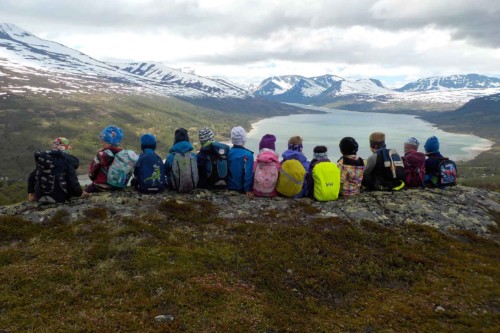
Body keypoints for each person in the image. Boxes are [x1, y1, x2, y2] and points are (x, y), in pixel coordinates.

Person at [28, 137, 83, 203]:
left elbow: (32, 175)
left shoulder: (45, 159)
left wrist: (31, 192)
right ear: (67, 147)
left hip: (40, 196)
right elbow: (72, 181)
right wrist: (80, 193)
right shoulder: (67, 161)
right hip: (60, 197)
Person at [84, 125, 125, 193]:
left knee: (84, 191)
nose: (102, 143)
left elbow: (92, 173)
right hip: (118, 187)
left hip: (101, 186)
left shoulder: (101, 154)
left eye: (103, 141)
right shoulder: (123, 154)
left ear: (108, 142)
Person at [227, 126, 254, 198]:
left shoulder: (228, 152)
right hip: (241, 189)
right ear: (244, 138)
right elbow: (248, 174)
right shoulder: (248, 154)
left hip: (228, 186)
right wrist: (247, 189)